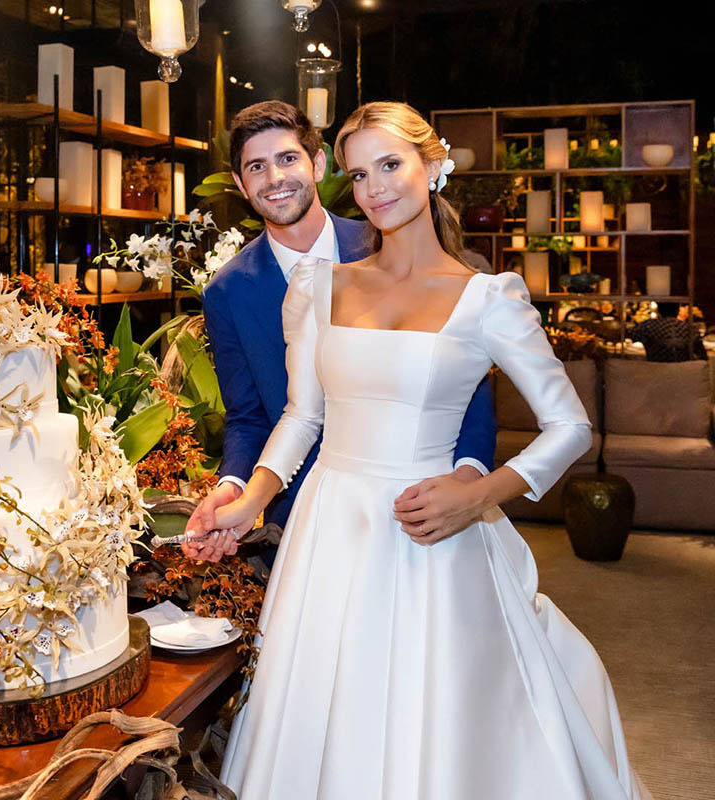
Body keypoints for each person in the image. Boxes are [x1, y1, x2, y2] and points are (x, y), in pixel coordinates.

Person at [193, 102, 650, 799]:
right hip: (328, 530)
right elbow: (301, 416)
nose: (375, 187)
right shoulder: (319, 286)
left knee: (432, 717)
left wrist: (478, 493)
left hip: (430, 534)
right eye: (359, 174)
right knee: (321, 714)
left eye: (390, 164)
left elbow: (570, 426)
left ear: (432, 167)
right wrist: (248, 500)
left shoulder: (487, 297)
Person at [184, 101, 496, 562]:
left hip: (418, 506)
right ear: (240, 184)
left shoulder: (389, 244)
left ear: (318, 163)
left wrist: (467, 479)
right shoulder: (227, 292)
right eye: (256, 167)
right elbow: (247, 416)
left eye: (287, 158)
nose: (274, 178)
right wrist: (234, 487)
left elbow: (465, 380)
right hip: (302, 515)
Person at [630, 301, 706, 361]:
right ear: (678, 310)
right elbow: (702, 356)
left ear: (658, 309)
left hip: (655, 371)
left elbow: (627, 334)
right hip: (682, 372)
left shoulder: (647, 326)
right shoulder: (690, 329)